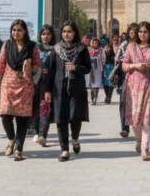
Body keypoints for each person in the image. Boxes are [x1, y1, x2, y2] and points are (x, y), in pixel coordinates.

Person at [0, 19, 40, 161]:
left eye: (19, 30)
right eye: (14, 30)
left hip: (25, 87)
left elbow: (38, 64)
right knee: (5, 116)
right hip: (8, 87)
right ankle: (11, 139)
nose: (16, 33)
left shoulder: (32, 46)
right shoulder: (7, 46)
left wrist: (31, 68)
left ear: (25, 31)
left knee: (22, 120)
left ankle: (19, 149)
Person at [45, 21, 91, 162]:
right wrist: (47, 90)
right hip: (59, 89)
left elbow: (88, 67)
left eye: (69, 31)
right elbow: (51, 71)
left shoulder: (82, 48)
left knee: (75, 116)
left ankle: (75, 139)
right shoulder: (56, 49)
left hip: (77, 89)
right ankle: (64, 150)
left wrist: (76, 68)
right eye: (64, 31)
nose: (66, 34)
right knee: (61, 119)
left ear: (75, 33)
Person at [122, 21, 150, 161]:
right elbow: (124, 65)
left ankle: (145, 149)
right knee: (135, 121)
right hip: (133, 89)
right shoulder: (131, 46)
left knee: (148, 119)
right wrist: (136, 66)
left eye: (145, 32)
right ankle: (139, 141)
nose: (142, 34)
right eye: (140, 31)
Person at [30, 25, 56, 146]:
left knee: (45, 107)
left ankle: (43, 135)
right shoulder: (34, 49)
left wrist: (49, 71)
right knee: (35, 108)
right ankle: (37, 132)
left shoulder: (55, 50)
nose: (46, 36)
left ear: (52, 36)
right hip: (35, 82)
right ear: (40, 35)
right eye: (43, 34)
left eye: (48, 34)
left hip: (49, 83)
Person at [114, 23, 138, 138]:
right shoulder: (124, 44)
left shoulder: (142, 45)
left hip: (140, 78)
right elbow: (117, 59)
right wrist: (125, 61)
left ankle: (139, 127)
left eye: (134, 31)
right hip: (125, 77)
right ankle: (124, 128)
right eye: (130, 31)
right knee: (123, 102)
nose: (132, 33)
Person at [87, 37, 104, 105]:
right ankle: (92, 98)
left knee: (97, 85)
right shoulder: (88, 50)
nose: (94, 44)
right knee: (92, 85)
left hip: (98, 69)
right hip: (91, 69)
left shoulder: (101, 50)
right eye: (93, 43)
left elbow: (103, 59)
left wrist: (102, 66)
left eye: (96, 43)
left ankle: (95, 99)